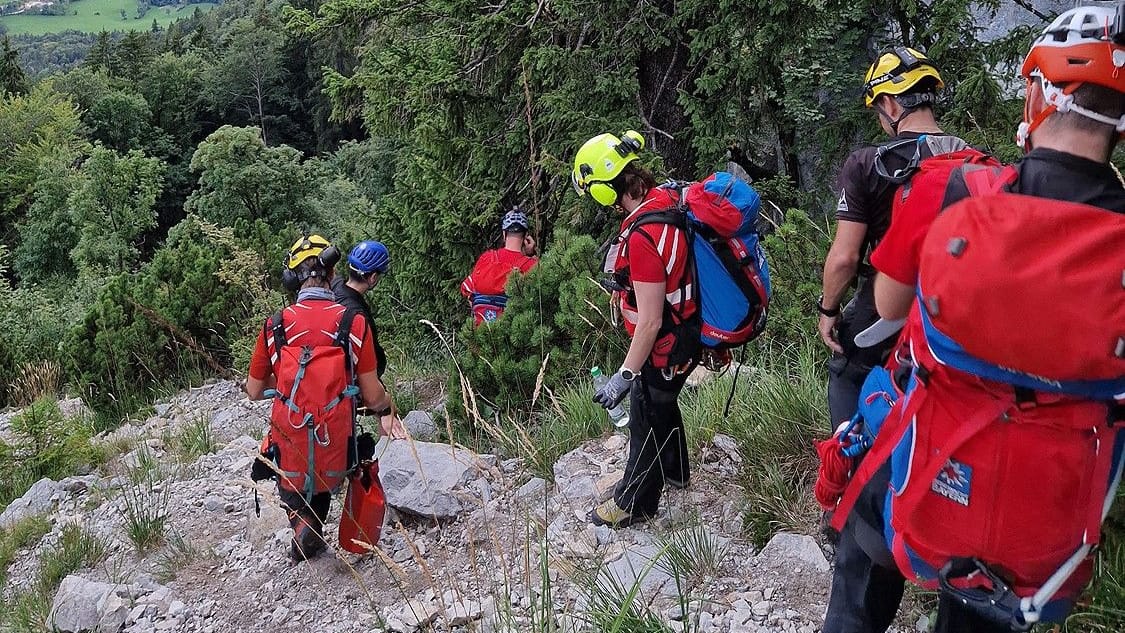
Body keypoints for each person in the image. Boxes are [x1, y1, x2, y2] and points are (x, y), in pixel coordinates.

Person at [828, 6, 1125, 632]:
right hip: (1046, 518)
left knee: (862, 570)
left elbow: (885, 307)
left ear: (1039, 94)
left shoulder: (959, 189)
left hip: (938, 468)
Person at [818, 47, 967, 429]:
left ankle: (850, 474)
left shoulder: (868, 164)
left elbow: (845, 258)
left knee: (846, 373)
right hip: (953, 307)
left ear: (889, 103)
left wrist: (828, 311)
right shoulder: (973, 161)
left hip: (885, 304)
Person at [245, 234, 406, 562]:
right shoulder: (352, 321)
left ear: (292, 280)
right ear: (333, 276)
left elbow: (254, 390)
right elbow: (372, 393)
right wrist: (386, 409)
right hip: (336, 445)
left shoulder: (275, 325)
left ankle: (302, 520)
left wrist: (291, 383)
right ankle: (318, 519)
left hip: (291, 441)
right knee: (336, 450)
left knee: (285, 449)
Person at [571, 130, 699, 528]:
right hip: (687, 332)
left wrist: (624, 376)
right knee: (662, 402)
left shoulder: (644, 235)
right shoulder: (664, 200)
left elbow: (650, 321)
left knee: (646, 407)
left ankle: (634, 502)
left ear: (609, 189)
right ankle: (677, 473)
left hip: (667, 344)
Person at [459, 209, 538, 326]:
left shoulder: (487, 258)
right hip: (512, 337)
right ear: (526, 236)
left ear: (504, 233)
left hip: (481, 334)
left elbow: (467, 290)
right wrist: (531, 254)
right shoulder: (531, 265)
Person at [332, 240, 390, 378]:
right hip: (350, 380)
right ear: (373, 277)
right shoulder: (359, 314)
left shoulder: (335, 286)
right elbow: (374, 360)